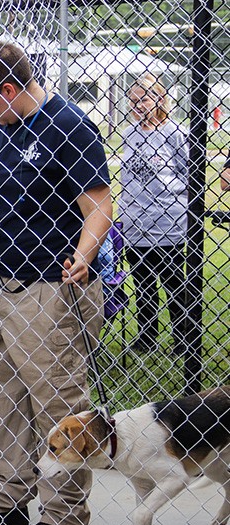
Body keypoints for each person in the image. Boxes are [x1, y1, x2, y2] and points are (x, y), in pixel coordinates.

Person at [0, 41, 113, 525]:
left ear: (7, 89)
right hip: (0, 282)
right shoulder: (4, 129)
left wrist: (86, 255)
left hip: (51, 288)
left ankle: (66, 517)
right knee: (2, 397)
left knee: (56, 400)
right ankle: (7, 497)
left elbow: (99, 207)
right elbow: (7, 194)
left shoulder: (69, 126)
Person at [119, 73, 190, 354]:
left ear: (160, 99)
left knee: (174, 284)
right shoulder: (130, 133)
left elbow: (190, 175)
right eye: (133, 100)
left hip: (167, 222)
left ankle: (183, 338)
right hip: (135, 223)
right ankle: (147, 336)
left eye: (144, 99)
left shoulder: (175, 132)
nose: (137, 105)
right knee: (143, 285)